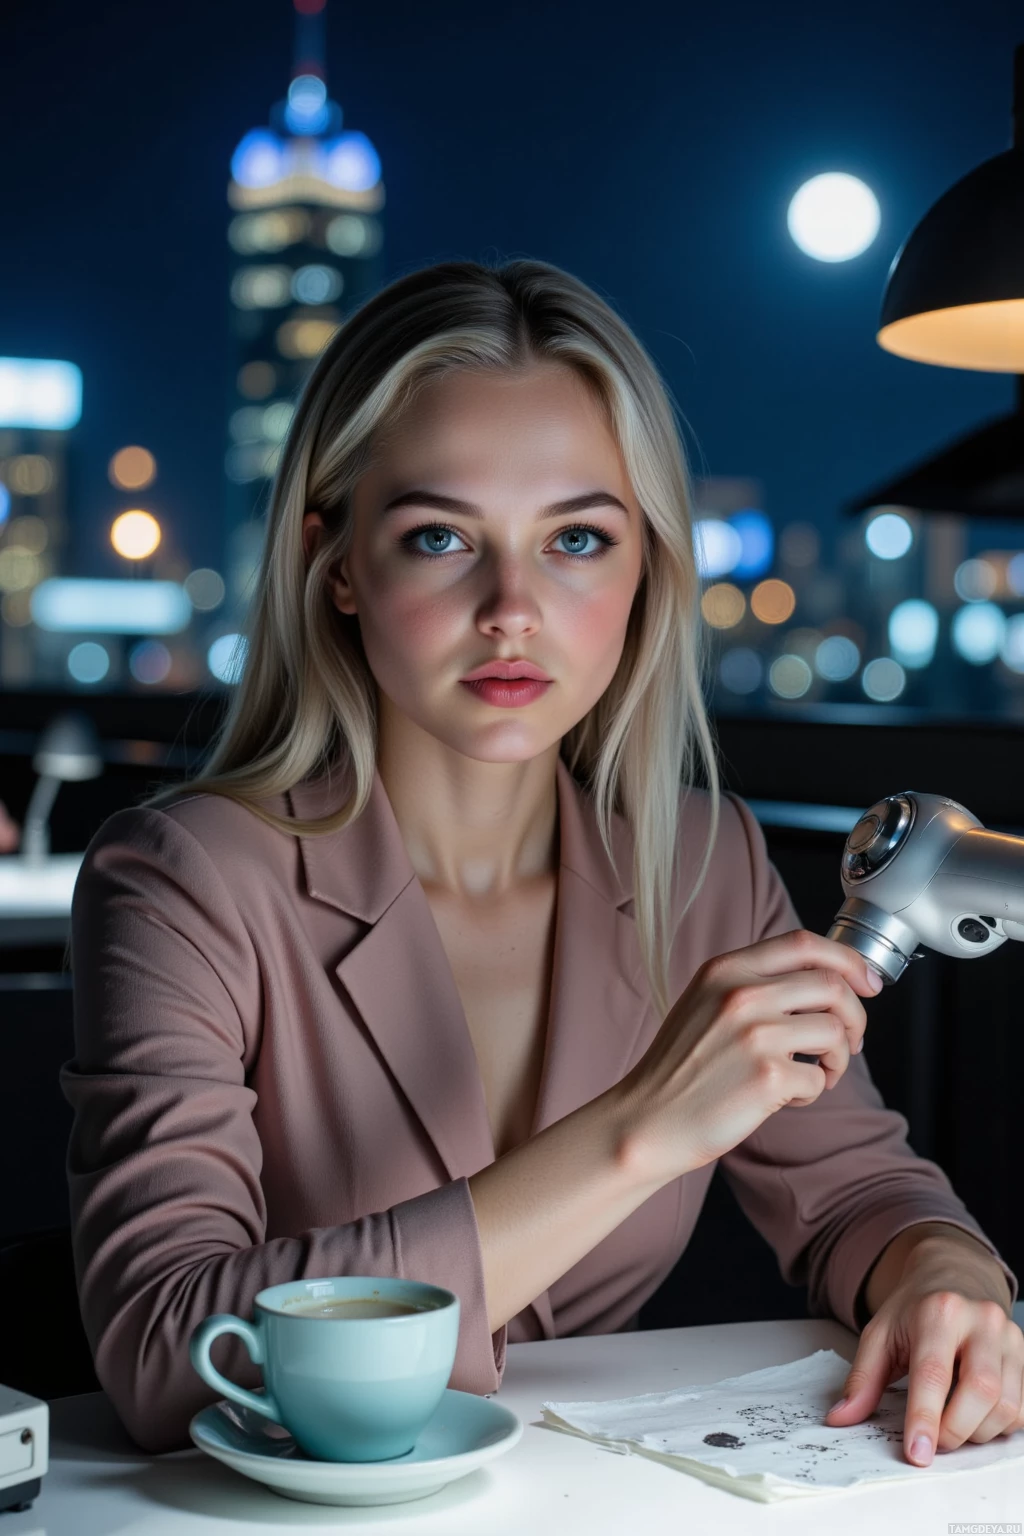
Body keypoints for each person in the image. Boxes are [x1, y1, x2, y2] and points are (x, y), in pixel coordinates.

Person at [61, 258, 1022, 1463]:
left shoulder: (702, 861)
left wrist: (947, 1278)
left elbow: (856, 1193)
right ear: (339, 564)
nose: (512, 606)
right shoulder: (184, 878)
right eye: (437, 537)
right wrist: (637, 1133)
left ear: (645, 570)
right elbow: (161, 1351)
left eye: (575, 537)